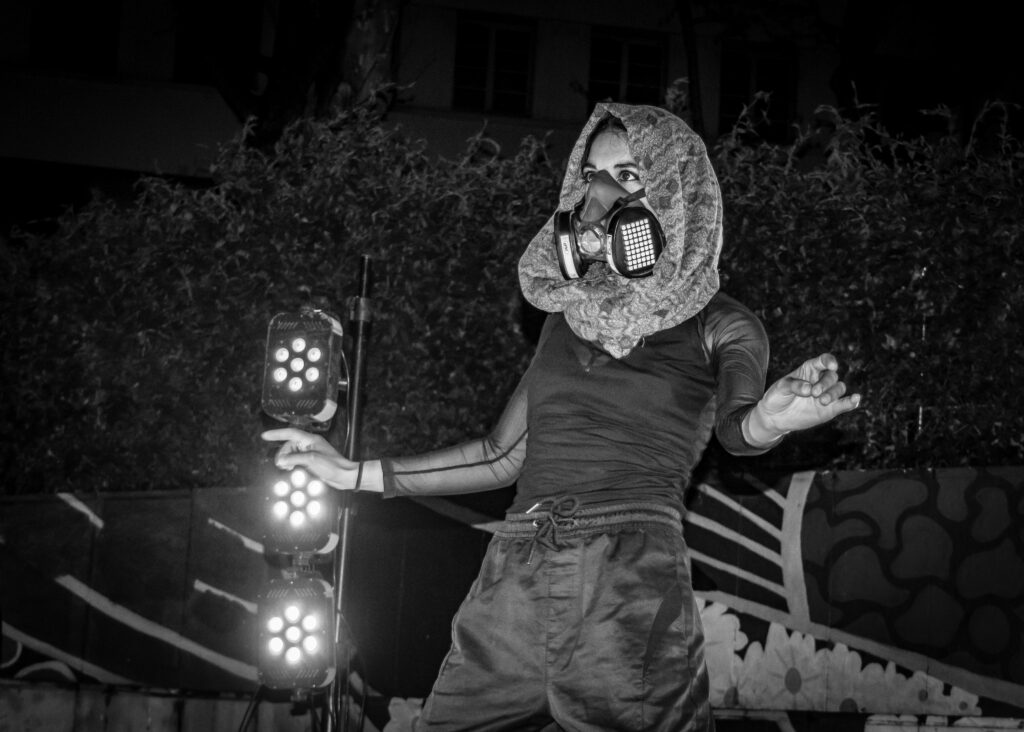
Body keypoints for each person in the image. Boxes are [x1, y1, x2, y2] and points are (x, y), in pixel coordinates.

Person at [263, 102, 861, 731]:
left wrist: (773, 418)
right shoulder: (564, 318)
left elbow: (737, 431)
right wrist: (352, 473)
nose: (603, 196)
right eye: (593, 177)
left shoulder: (722, 322)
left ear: (676, 190)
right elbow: (501, 454)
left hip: (629, 583)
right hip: (513, 579)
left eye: (628, 175)